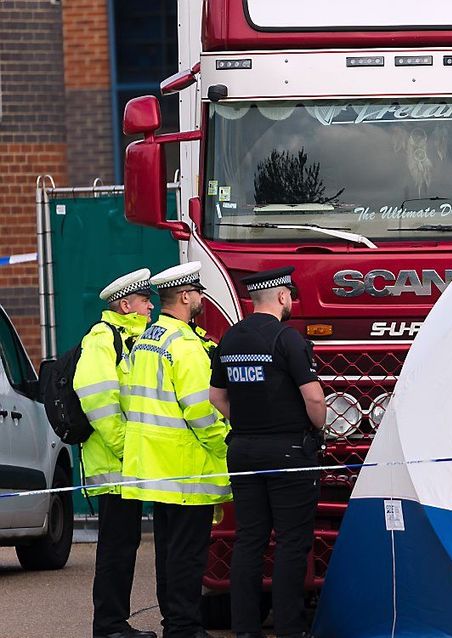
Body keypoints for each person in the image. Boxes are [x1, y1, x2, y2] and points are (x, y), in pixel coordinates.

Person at [209, 267, 325, 638]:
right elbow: (313, 397)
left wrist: (246, 420)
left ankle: (245, 629)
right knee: (291, 541)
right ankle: (290, 627)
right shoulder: (287, 339)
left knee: (249, 540)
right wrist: (317, 427)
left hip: (242, 448)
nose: (291, 299)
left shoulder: (229, 339)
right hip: (289, 450)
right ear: (280, 297)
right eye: (289, 294)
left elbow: (216, 396)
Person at [120, 262, 231, 638]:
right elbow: (201, 411)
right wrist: (225, 444)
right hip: (186, 468)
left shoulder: (147, 339)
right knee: (186, 555)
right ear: (186, 296)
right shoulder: (184, 344)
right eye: (198, 292)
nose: (201, 298)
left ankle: (175, 622)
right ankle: (183, 627)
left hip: (155, 466)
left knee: (168, 554)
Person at [75, 268, 157, 638]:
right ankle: (109, 626)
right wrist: (126, 447)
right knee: (116, 547)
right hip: (115, 463)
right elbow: (97, 398)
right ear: (127, 304)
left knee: (124, 545)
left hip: (129, 461)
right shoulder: (102, 338)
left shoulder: (134, 338)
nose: (151, 306)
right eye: (145, 301)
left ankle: (115, 623)